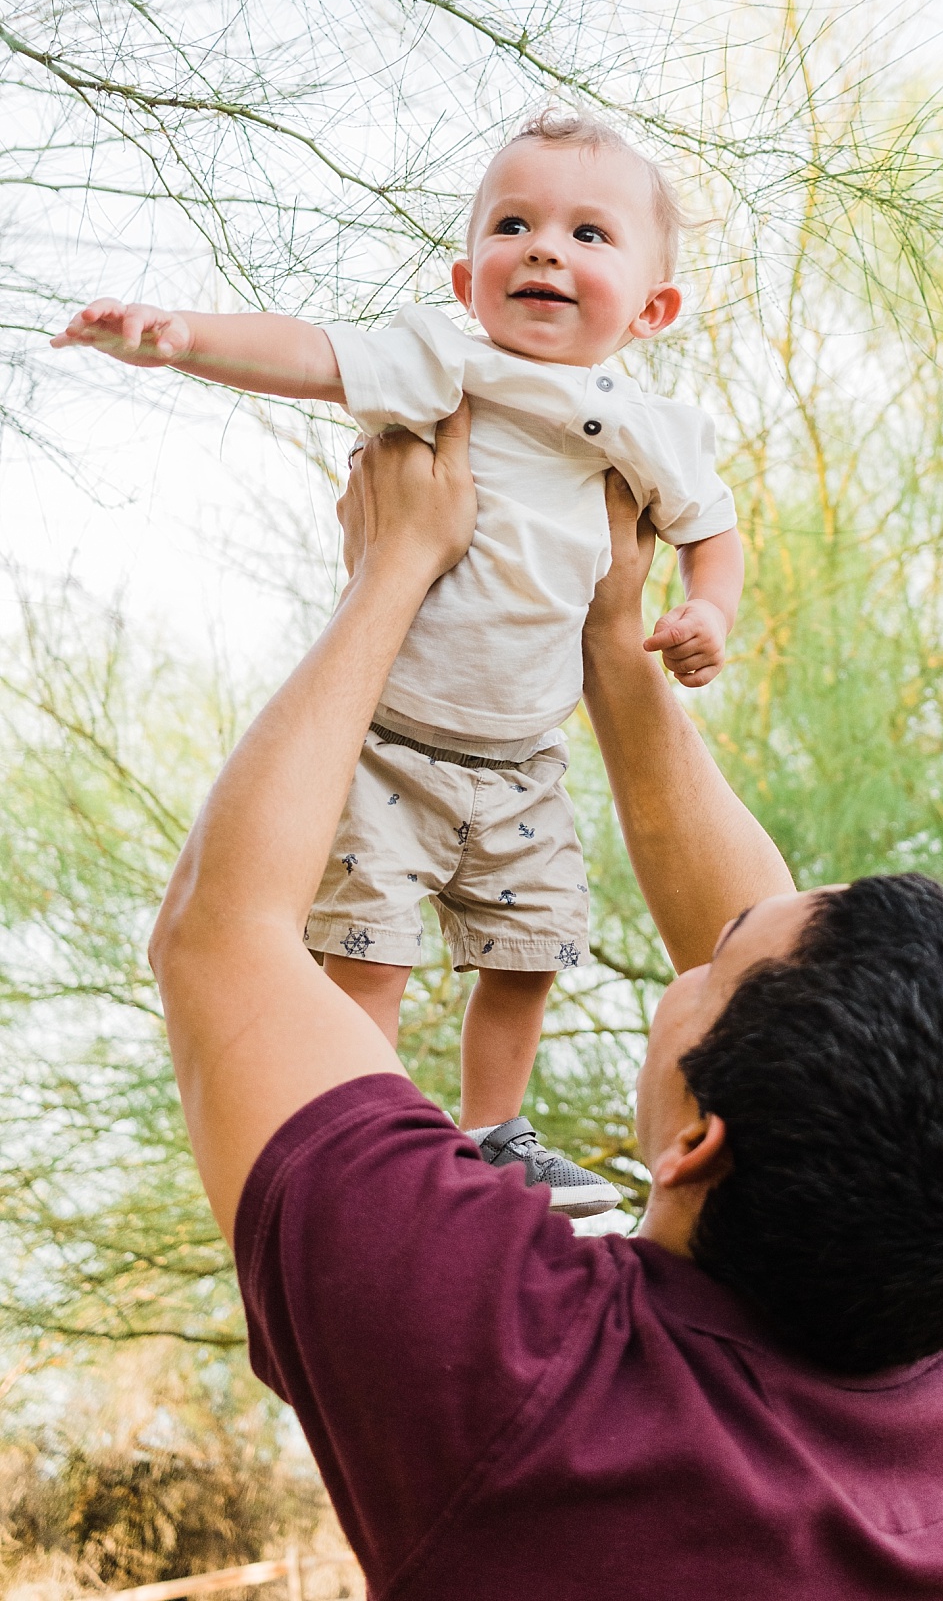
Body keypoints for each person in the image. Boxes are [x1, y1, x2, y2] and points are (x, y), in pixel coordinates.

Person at [150, 417, 943, 1600]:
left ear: (699, 1139)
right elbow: (774, 963)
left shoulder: (524, 1375)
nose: (695, 953)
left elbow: (221, 933)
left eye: (709, 971)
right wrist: (609, 636)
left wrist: (391, 574)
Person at [53, 110, 743, 1216]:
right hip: (390, 742)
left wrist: (708, 608)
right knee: (370, 954)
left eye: (587, 234)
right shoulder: (447, 363)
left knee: (530, 951)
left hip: (526, 760)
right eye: (513, 224)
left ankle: (495, 1129)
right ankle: (371, 1124)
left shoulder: (651, 425)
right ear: (469, 275)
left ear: (654, 308)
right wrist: (180, 337)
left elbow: (713, 529)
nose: (545, 249)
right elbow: (318, 355)